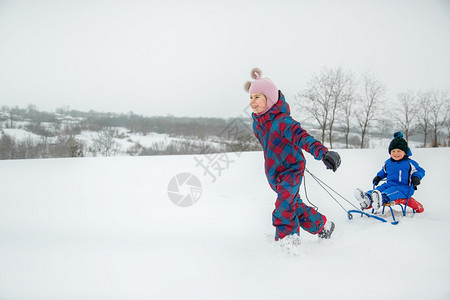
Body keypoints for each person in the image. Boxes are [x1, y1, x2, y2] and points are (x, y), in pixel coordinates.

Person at [244, 68, 341, 243]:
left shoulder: (283, 121)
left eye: (258, 96)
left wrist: (324, 153)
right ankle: (322, 226)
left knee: (284, 207)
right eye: (251, 97)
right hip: (274, 173)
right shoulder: (258, 125)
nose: (253, 101)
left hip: (292, 169)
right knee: (294, 205)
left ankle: (288, 241)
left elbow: (303, 138)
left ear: (270, 99)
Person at [354, 132, 425, 213]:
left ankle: (382, 198)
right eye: (393, 151)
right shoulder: (388, 163)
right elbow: (383, 171)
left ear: (405, 152)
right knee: (379, 189)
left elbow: (420, 171)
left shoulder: (410, 163)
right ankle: (367, 198)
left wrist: (416, 177)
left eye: (399, 151)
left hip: (404, 188)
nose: (396, 154)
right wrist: (379, 176)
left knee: (391, 192)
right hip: (389, 184)